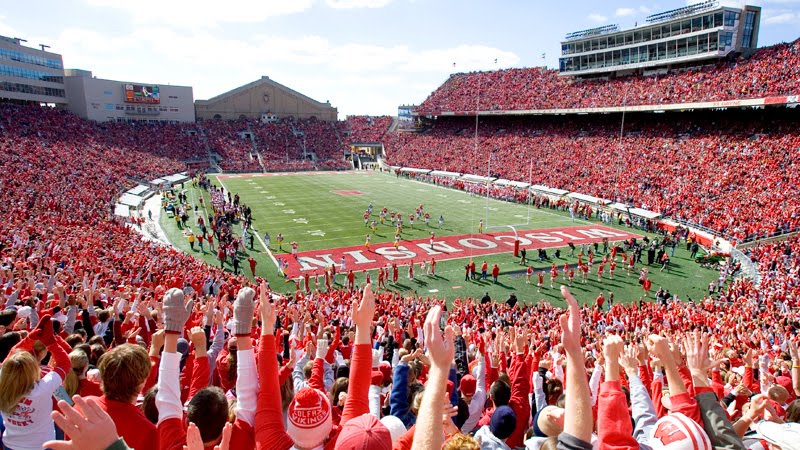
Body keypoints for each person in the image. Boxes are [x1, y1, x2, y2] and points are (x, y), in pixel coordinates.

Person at [0, 316, 70, 450]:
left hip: (10, 444)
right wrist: (51, 342)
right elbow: (65, 401)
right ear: (44, 352)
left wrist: (29, 339)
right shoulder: (46, 382)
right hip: (42, 444)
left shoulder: (2, 378)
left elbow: (9, 360)